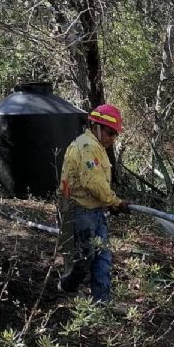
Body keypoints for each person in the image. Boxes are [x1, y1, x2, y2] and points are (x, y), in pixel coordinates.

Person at [57, 103, 131, 304]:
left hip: (94, 211)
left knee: (103, 257)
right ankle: (67, 285)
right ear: (96, 126)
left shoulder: (96, 146)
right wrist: (115, 202)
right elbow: (93, 182)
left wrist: (108, 205)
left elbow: (96, 183)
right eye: (110, 132)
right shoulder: (87, 147)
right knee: (86, 257)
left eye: (116, 134)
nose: (112, 138)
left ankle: (102, 301)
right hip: (78, 211)